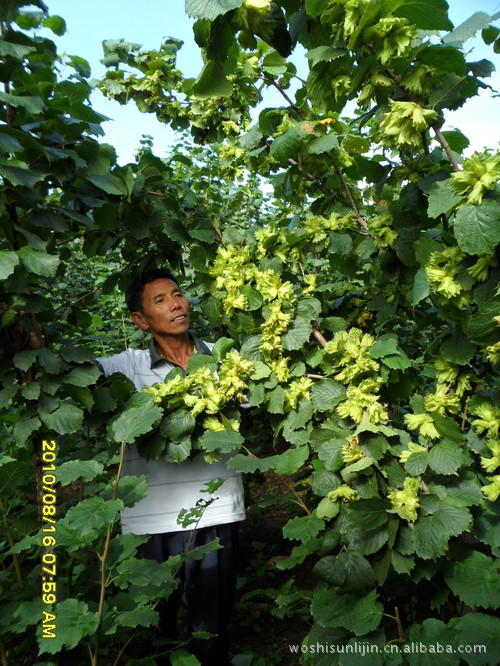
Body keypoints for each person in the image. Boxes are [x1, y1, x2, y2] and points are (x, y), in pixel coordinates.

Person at [97, 268, 245, 665]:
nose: (175, 303)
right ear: (140, 321)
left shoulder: (223, 360)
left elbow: (255, 396)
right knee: (153, 630)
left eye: (177, 294)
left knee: (211, 628)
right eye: (159, 300)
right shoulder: (127, 368)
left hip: (214, 512)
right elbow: (79, 377)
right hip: (149, 520)